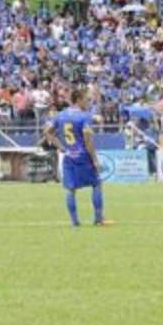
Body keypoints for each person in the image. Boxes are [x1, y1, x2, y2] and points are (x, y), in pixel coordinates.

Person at [44, 86, 107, 227]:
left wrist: (61, 147)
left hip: (69, 156)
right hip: (83, 156)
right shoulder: (84, 116)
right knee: (97, 184)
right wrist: (95, 160)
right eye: (87, 100)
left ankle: (74, 221)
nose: (88, 103)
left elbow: (47, 132)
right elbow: (88, 140)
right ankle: (98, 218)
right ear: (79, 99)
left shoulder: (60, 115)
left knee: (70, 189)